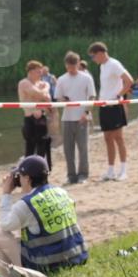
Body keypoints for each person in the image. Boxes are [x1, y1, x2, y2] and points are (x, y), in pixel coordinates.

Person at [0, 155, 88, 277]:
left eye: (20, 176)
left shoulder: (27, 204)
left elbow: (5, 224)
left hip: (49, 264)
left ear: (27, 179)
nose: (18, 180)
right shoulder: (61, 192)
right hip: (77, 257)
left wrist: (6, 193)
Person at [88, 41, 134, 181]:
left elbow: (129, 81)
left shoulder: (114, 64)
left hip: (114, 105)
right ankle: (110, 170)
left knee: (118, 138)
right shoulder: (102, 66)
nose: (93, 60)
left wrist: (119, 95)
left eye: (93, 56)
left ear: (101, 53)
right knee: (107, 138)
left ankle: (124, 170)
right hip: (104, 105)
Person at [54, 51, 97, 185]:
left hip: (82, 118)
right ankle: (71, 175)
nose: (72, 68)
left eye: (74, 65)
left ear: (79, 64)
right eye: (69, 66)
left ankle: (83, 174)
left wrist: (87, 113)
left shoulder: (86, 78)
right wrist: (63, 100)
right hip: (67, 118)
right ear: (66, 65)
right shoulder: (61, 79)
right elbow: (57, 98)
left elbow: (92, 97)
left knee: (83, 148)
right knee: (68, 149)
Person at [18, 60, 53, 169]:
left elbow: (48, 100)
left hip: (41, 117)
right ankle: (28, 171)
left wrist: (46, 89)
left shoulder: (41, 83)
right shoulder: (24, 83)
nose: (41, 74)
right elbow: (37, 93)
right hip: (30, 118)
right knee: (30, 147)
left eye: (41, 72)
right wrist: (46, 88)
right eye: (38, 72)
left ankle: (43, 169)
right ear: (31, 72)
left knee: (43, 146)